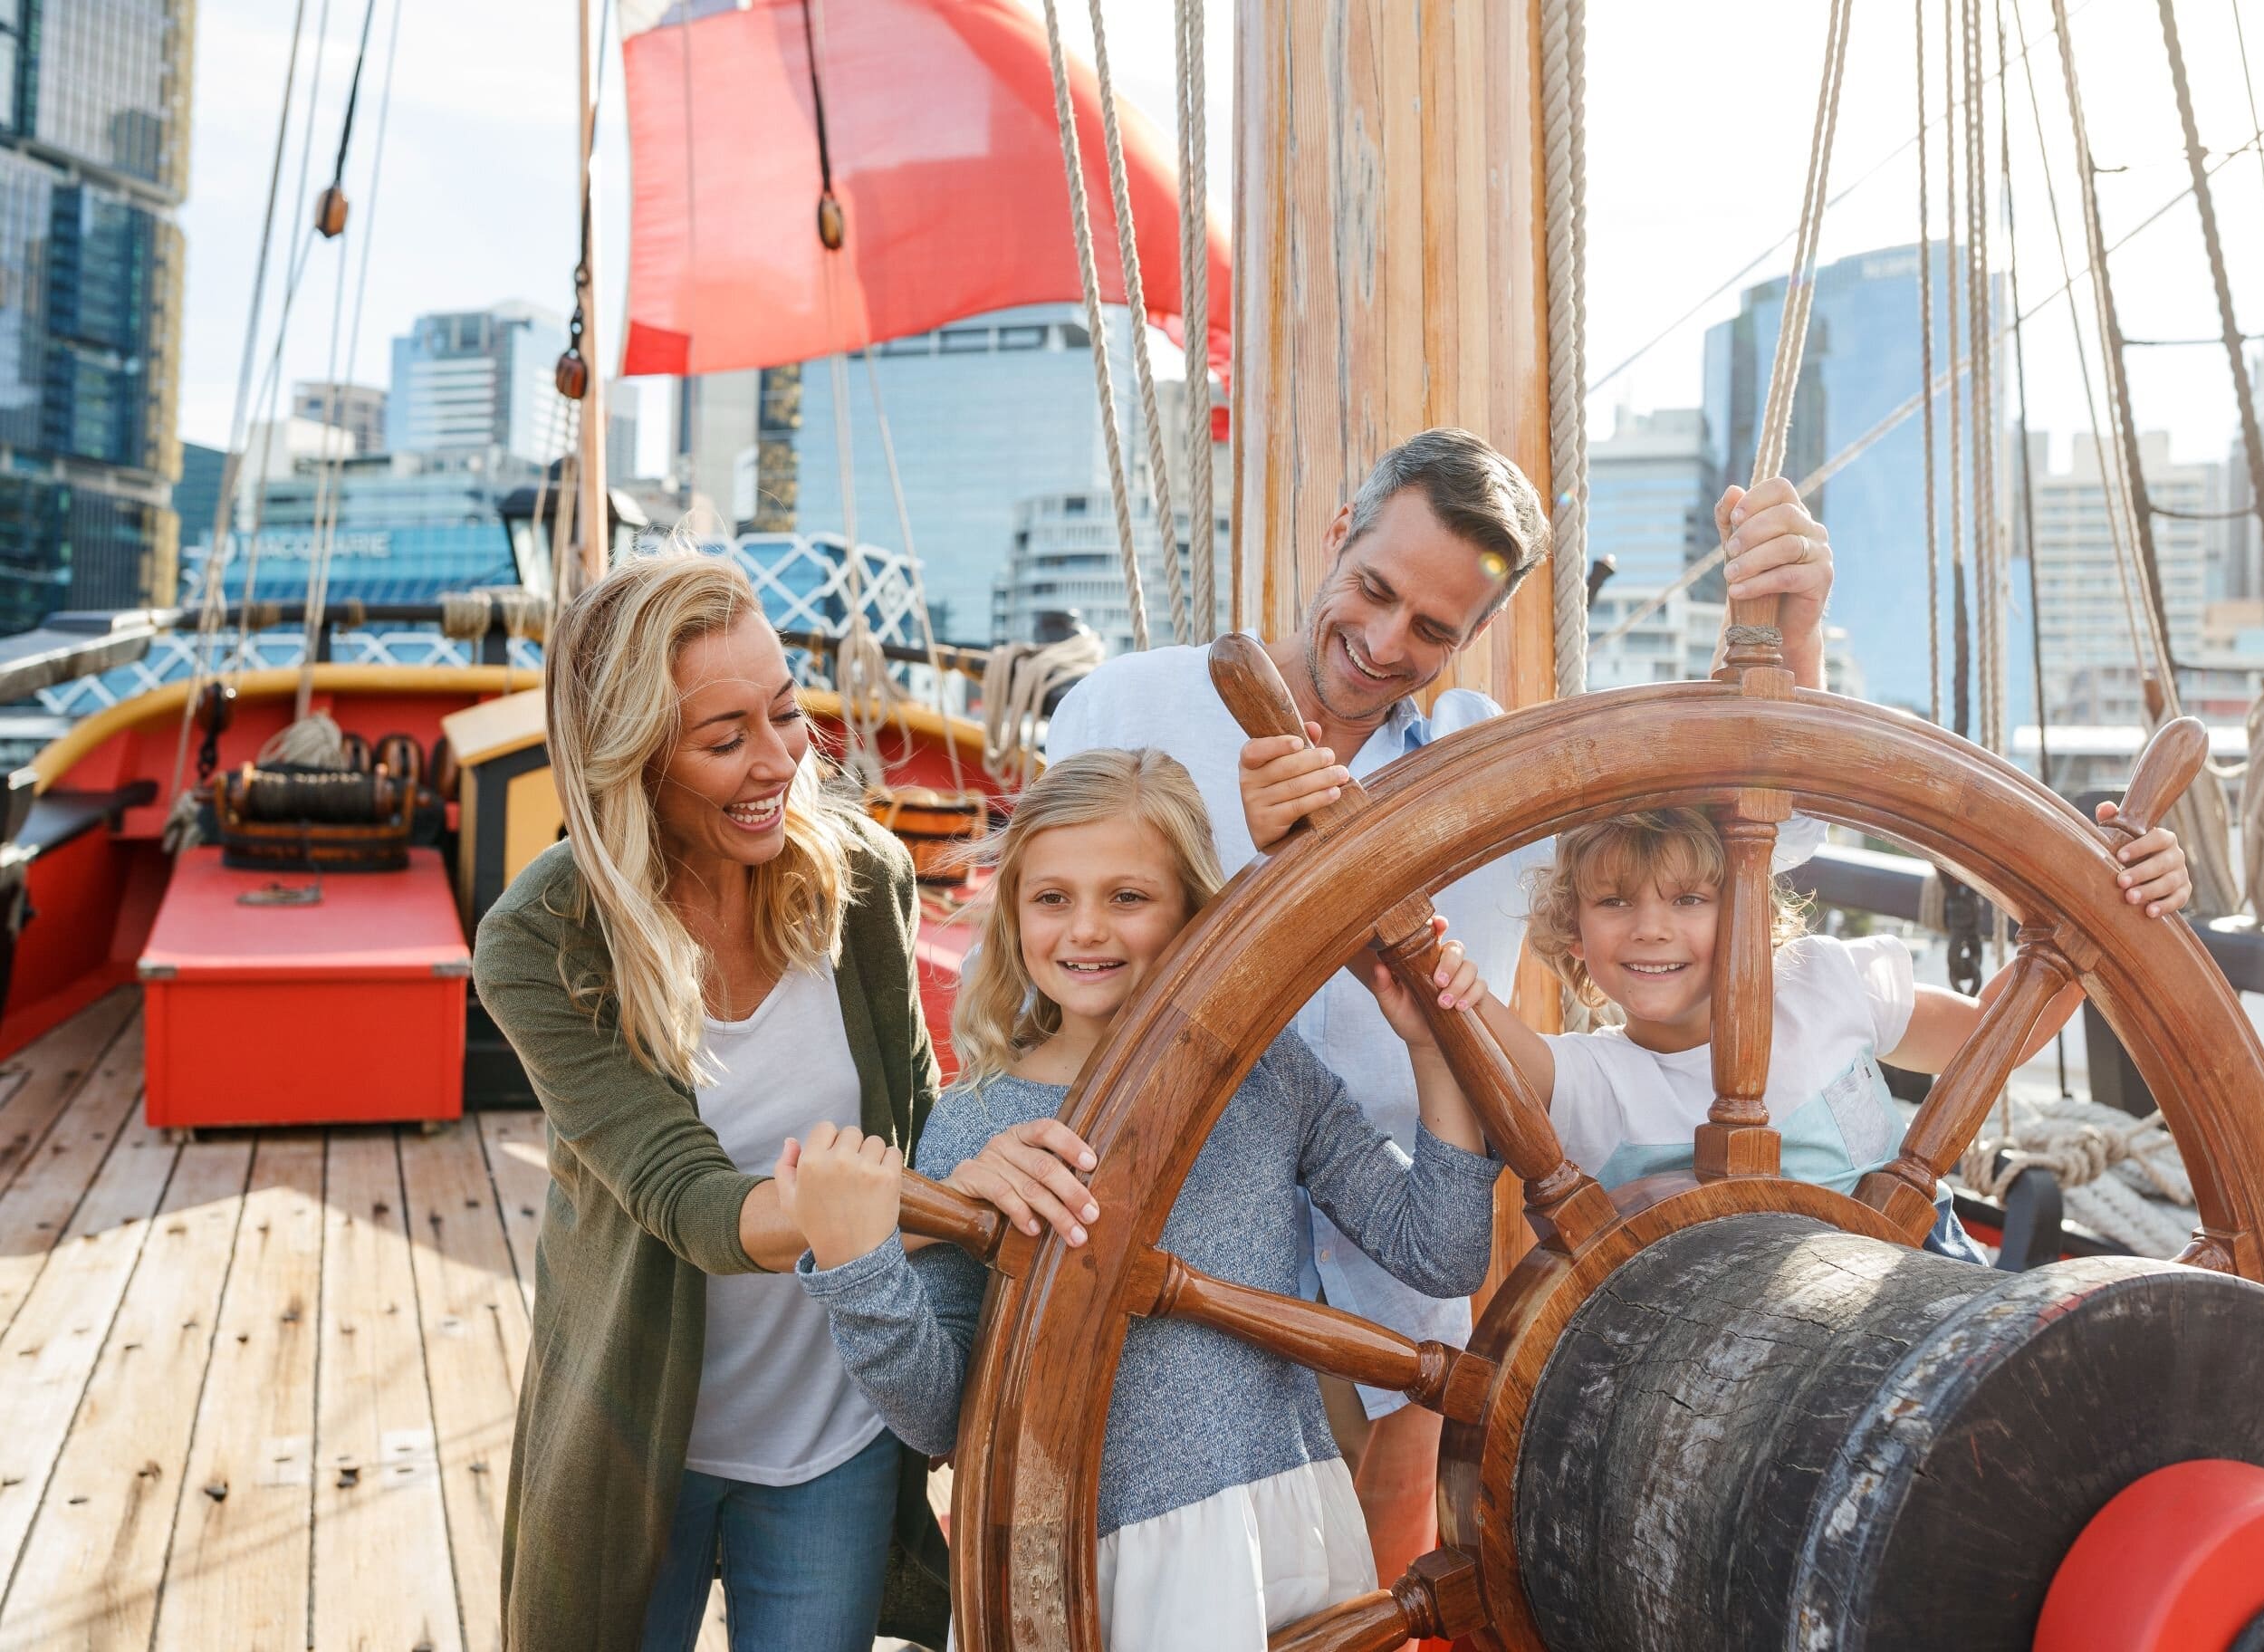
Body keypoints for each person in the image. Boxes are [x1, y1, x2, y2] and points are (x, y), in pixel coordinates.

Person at [1044, 426, 1837, 1575]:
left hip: (1403, 1264)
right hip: (1173, 1238)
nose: (1379, 643)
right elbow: (1048, 958)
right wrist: (1254, 880)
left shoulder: (1499, 780)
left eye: (1431, 630)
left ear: (1476, 635)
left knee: (1378, 1584)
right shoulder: (1123, 710)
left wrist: (1791, 642)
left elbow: (1746, 837)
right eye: (1370, 590)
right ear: (1337, 538)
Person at [473, 550, 1088, 1651]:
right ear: (634, 762)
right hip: (637, 1434)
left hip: (835, 1430)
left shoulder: (865, 878)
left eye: (788, 712)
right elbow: (693, 1204)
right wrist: (883, 1198)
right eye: (725, 739)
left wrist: (959, 1174)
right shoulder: (539, 940)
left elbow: (914, 1109)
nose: (780, 759)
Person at [782, 748, 1501, 1648]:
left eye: (1128, 897)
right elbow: (938, 1418)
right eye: (1052, 899)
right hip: (1078, 1572)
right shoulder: (977, 1132)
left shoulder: (1265, 1076)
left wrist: (1431, 1050)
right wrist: (862, 1269)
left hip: (1277, 1540)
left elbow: (1441, 1253)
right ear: (1012, 918)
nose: (1087, 930)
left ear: (1192, 914)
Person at [1459, 805, 2190, 1248]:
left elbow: (1988, 1034)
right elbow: (1491, 1041)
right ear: (1575, 937)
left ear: (1747, 910)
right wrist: (1438, 968)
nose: (1652, 929)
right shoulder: (1593, 1078)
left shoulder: (1822, 982)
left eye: (1688, 899)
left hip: (1921, 1279)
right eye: (1615, 902)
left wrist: (2118, 896)